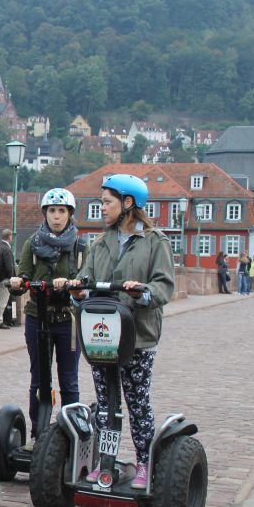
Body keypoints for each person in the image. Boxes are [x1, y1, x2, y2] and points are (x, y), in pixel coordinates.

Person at [69, 174, 174, 490]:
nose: (101, 208)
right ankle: (106, 462)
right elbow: (85, 279)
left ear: (128, 203)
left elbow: (164, 285)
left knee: (136, 401)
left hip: (138, 336)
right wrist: (77, 290)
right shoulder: (99, 244)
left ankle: (144, 463)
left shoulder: (155, 241)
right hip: (102, 335)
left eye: (107, 202)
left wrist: (141, 292)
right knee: (105, 403)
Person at [8, 188, 87, 450]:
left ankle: (70, 436)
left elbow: (84, 283)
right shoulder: (33, 243)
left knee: (69, 379)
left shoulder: (79, 245)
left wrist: (74, 284)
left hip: (68, 319)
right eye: (52, 211)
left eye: (61, 211)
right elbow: (24, 276)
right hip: (37, 317)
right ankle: (38, 435)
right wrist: (19, 282)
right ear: (45, 213)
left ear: (69, 214)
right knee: (39, 378)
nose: (56, 216)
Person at [0, 228, 16, 328]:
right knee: (2, 301)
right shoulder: (7, 249)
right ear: (10, 237)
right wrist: (12, 278)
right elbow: (9, 266)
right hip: (5, 279)